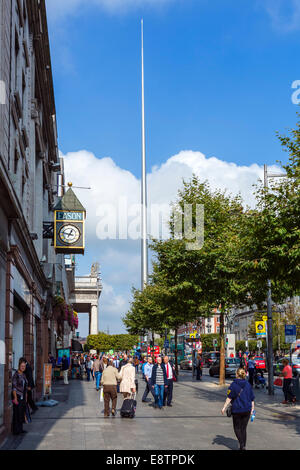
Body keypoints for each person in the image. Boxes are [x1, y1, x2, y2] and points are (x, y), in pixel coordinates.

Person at [221, 368, 255, 451]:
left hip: (237, 409)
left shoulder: (233, 385)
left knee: (237, 428)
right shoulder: (248, 384)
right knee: (243, 428)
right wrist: (252, 409)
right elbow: (252, 398)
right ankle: (242, 446)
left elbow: (229, 398)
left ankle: (242, 445)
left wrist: (224, 407)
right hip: (247, 409)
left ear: (237, 374)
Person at [12, 358, 28, 435]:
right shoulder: (16, 375)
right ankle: (16, 430)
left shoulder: (23, 374)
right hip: (17, 396)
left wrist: (26, 396)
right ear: (19, 366)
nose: (23, 368)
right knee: (17, 413)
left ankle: (20, 429)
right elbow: (14, 388)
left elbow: (25, 386)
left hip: (23, 396)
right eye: (22, 366)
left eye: (24, 366)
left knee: (21, 412)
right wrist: (15, 398)